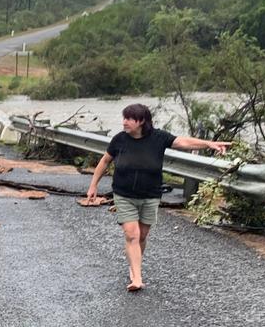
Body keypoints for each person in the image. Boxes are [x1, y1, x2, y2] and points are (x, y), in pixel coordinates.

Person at [84, 103, 229, 292]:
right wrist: (93, 185)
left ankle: (133, 262)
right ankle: (137, 277)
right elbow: (104, 161)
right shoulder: (119, 140)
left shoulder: (158, 138)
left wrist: (208, 143)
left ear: (142, 121)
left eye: (129, 119)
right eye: (124, 118)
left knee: (142, 235)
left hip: (150, 195)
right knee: (131, 234)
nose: (124, 122)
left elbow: (183, 142)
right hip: (124, 194)